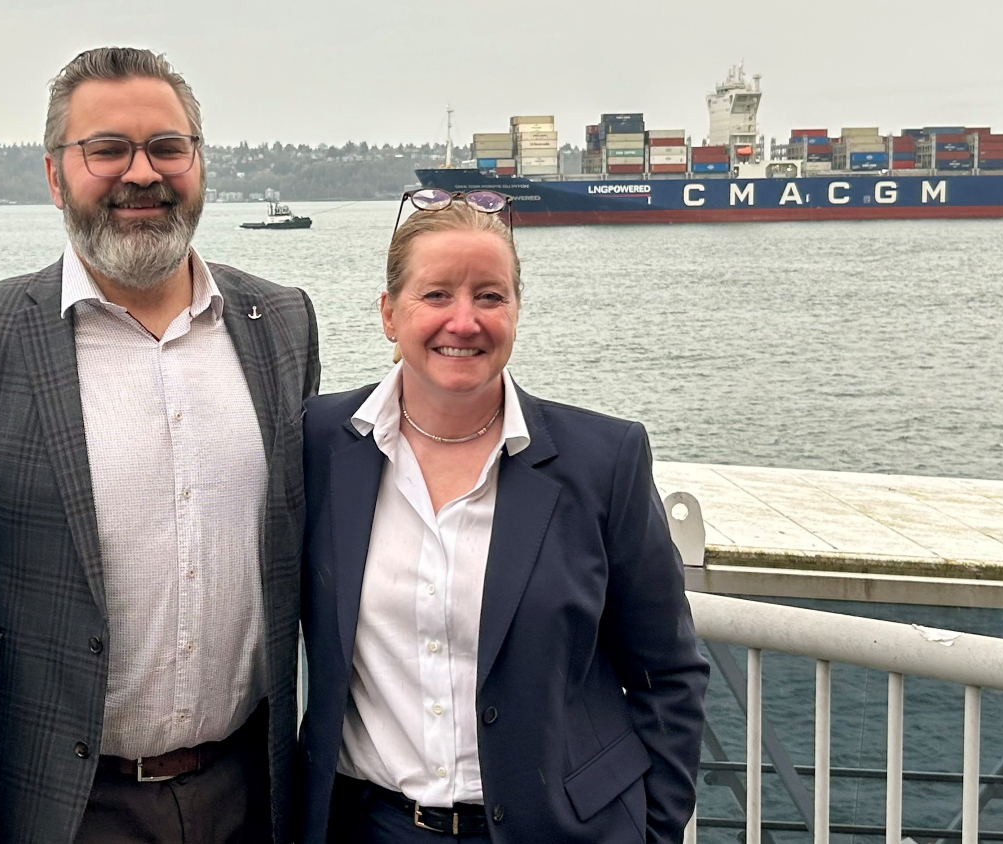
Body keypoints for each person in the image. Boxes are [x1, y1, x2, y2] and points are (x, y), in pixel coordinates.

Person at [0, 47, 319, 844]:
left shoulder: (282, 321)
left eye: (168, 147)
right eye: (107, 150)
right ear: (56, 175)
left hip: (251, 793)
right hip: (60, 805)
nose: (142, 173)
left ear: (199, 162)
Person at [298, 192, 709, 844]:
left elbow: (669, 674)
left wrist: (653, 831)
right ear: (388, 314)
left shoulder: (604, 462)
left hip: (559, 831)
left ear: (516, 311)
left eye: (490, 296)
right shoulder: (322, 444)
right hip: (368, 826)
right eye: (436, 296)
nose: (464, 321)